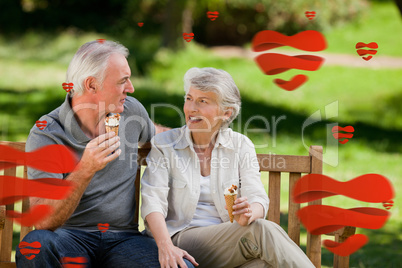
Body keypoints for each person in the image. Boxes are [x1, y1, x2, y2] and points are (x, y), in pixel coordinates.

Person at [16, 40, 190, 268]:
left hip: (123, 240)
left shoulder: (130, 112)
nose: (131, 88)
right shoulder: (48, 133)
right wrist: (86, 168)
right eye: (122, 81)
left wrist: (200, 136)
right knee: (35, 246)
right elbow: (43, 221)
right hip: (69, 238)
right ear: (91, 85)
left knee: (180, 266)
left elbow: (159, 133)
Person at [141, 67, 315, 268]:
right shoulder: (166, 145)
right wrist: (165, 247)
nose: (191, 108)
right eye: (189, 98)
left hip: (227, 246)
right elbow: (152, 202)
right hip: (180, 240)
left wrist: (250, 213)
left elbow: (258, 198)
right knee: (261, 230)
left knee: (263, 265)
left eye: (202, 101)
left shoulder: (241, 146)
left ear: (226, 112)